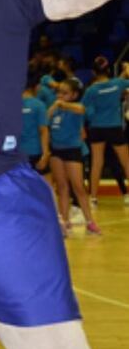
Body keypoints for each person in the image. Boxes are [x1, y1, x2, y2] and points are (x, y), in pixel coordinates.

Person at [48, 78, 101, 236]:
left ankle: (90, 222)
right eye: (59, 92)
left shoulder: (76, 108)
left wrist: (63, 104)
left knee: (78, 188)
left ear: (74, 95)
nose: (60, 96)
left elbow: (81, 109)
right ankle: (64, 223)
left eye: (65, 93)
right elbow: (45, 119)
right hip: (56, 152)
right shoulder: (54, 108)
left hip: (72, 151)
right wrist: (53, 106)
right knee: (62, 188)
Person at [82, 55, 129, 204]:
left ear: (93, 72)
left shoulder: (91, 90)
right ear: (108, 70)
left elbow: (82, 109)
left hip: (97, 128)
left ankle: (93, 197)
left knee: (97, 163)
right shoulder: (118, 84)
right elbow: (121, 82)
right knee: (126, 162)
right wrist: (127, 69)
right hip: (114, 127)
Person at [22, 67, 52, 178]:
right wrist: (45, 154)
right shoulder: (39, 105)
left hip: (17, 154)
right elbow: (43, 131)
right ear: (36, 86)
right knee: (46, 188)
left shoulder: (11, 105)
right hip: (36, 152)